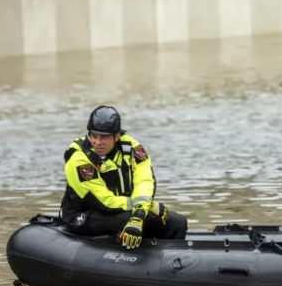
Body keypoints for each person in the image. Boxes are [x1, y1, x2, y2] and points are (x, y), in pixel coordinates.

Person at [59, 105, 188, 249]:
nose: (97, 142)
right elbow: (103, 201)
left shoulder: (133, 149)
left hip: (123, 209)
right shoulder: (79, 159)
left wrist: (140, 211)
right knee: (129, 220)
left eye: (104, 137)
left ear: (117, 136)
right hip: (84, 214)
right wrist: (146, 208)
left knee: (178, 222)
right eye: (94, 136)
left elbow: (144, 181)